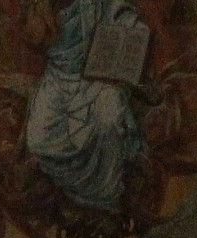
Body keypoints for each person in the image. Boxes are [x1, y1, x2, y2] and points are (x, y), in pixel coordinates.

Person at [24, 0, 149, 212]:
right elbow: (36, 40)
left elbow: (119, 11)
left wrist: (131, 26)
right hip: (59, 80)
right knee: (38, 141)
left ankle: (106, 194)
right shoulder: (40, 6)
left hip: (98, 76)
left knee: (107, 120)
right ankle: (73, 190)